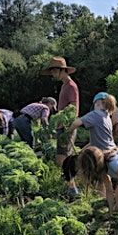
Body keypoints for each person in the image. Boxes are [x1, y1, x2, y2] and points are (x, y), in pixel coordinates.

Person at [41, 56, 80, 197]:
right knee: (62, 158)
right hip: (61, 127)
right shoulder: (64, 85)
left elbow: (73, 109)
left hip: (67, 127)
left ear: (60, 70)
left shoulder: (71, 86)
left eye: (53, 71)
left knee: (63, 158)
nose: (52, 74)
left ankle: (73, 189)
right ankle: (70, 186)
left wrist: (66, 126)